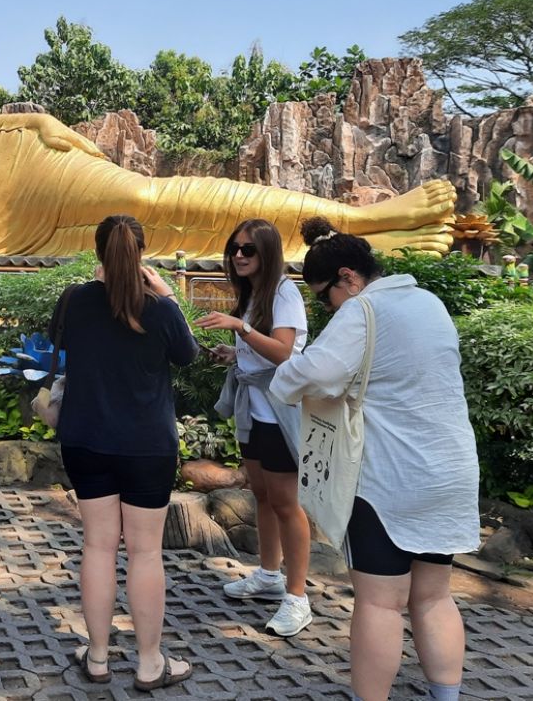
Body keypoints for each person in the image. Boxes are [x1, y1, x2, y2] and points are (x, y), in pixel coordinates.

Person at [270, 217, 480, 701]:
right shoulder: (429, 302)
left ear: (349, 277)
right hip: (447, 471)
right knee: (433, 596)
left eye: (324, 297)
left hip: (390, 479)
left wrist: (284, 378)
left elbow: (310, 375)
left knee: (381, 604)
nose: (327, 309)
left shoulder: (362, 311)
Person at [52, 214, 198, 691]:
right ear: (141, 254)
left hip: (85, 437)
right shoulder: (158, 308)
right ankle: (150, 662)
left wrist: (102, 283)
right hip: (146, 446)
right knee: (144, 552)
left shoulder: (73, 302)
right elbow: (188, 355)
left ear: (98, 253)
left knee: (96, 545)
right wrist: (169, 295)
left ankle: (96, 657)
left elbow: (68, 342)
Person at [195, 220, 312, 636]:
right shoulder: (254, 294)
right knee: (261, 494)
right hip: (253, 407)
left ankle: (298, 597)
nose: (239, 255)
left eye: (249, 249)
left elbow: (283, 353)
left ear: (267, 253)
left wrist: (240, 328)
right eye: (234, 249)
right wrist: (235, 351)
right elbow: (261, 349)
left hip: (278, 410)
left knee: (286, 502)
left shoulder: (284, 292)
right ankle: (268, 574)